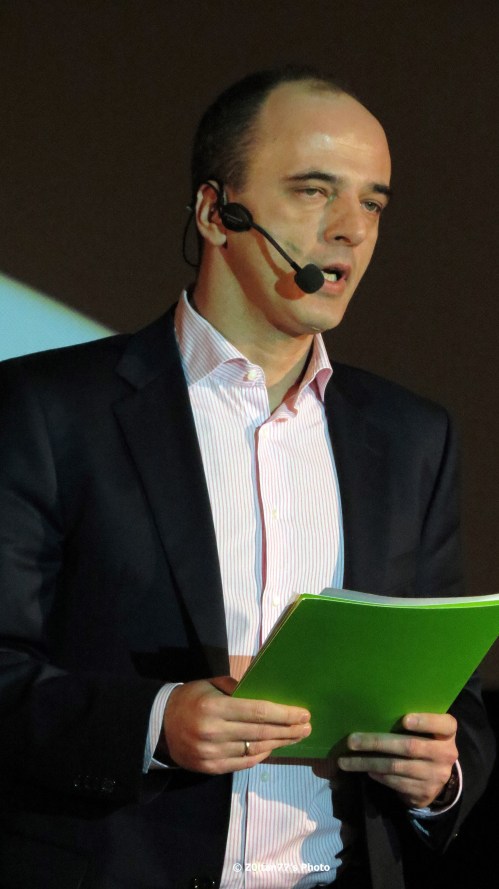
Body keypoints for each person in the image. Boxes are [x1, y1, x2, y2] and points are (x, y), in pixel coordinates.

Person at [0, 66, 495, 889]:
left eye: (372, 203)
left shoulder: (411, 437)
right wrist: (154, 724)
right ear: (214, 212)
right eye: (313, 191)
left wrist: (439, 775)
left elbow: (457, 696)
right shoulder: (47, 410)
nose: (350, 230)